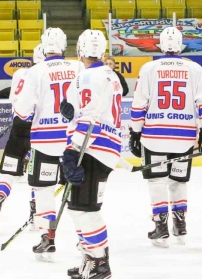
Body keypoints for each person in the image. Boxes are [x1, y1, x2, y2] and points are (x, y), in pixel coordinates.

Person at [130, 27, 202, 248]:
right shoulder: (194, 69)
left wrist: (135, 131)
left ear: (159, 45)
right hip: (184, 136)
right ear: (181, 45)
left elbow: (139, 103)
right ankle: (180, 222)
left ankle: (160, 225)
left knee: (156, 180)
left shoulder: (149, 68)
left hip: (154, 134)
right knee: (178, 180)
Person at [10, 29, 82, 261]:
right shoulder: (78, 67)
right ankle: (85, 239)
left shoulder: (35, 71)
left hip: (45, 142)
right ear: (64, 45)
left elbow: (22, 111)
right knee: (79, 192)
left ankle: (47, 236)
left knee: (43, 190)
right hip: (74, 141)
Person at [61, 29, 122, 278]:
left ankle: (100, 262)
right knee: (77, 207)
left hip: (91, 148)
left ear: (80, 51)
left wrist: (72, 150)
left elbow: (89, 118)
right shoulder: (111, 75)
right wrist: (71, 110)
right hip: (104, 148)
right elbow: (92, 110)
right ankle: (89, 257)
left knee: (86, 209)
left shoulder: (86, 77)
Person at [0, 44, 45, 231]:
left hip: (18, 128)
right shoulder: (46, 75)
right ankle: (35, 214)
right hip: (39, 130)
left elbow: (15, 102)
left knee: (8, 173)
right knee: (38, 177)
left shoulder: (20, 74)